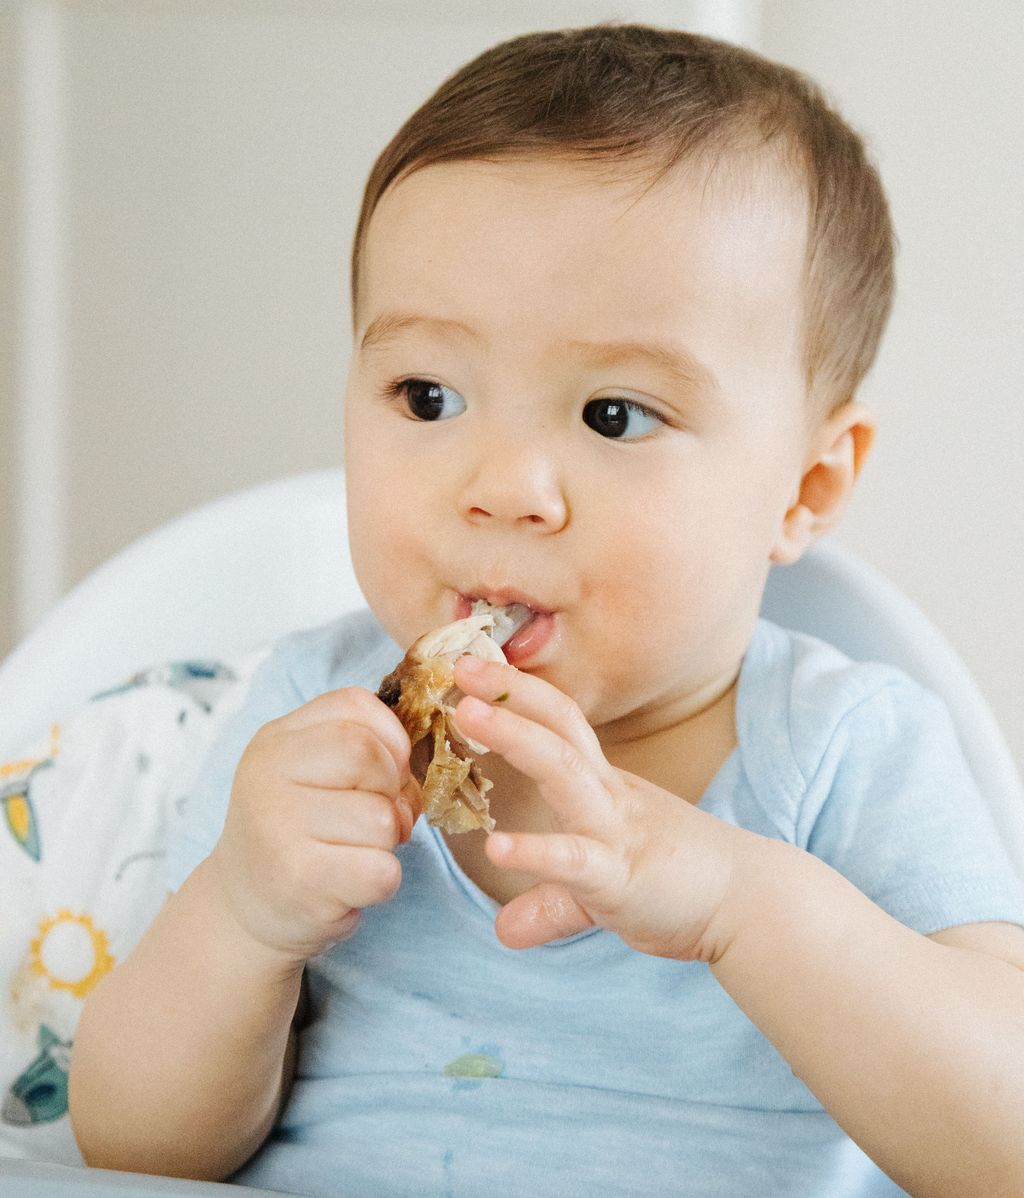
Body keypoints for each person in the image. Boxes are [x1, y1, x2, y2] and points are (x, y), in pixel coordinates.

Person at [68, 23, 1024, 1197]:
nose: (504, 486)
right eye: (428, 395)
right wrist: (244, 915)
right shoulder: (309, 727)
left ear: (807, 484)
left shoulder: (847, 750)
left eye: (613, 414)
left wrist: (736, 904)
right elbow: (131, 1149)